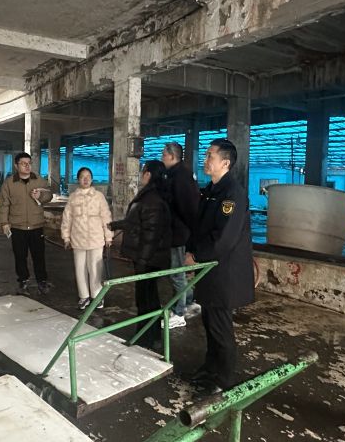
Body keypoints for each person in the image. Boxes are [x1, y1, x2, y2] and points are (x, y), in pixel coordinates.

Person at [184, 139, 254, 395]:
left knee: (221, 328)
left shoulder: (232, 193)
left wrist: (197, 256)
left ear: (225, 163)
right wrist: (190, 250)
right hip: (209, 269)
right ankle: (209, 369)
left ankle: (223, 382)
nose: (205, 160)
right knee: (210, 323)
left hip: (224, 273)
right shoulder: (211, 190)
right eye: (206, 155)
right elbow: (200, 226)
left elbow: (224, 238)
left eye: (210, 156)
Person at [109, 160, 172, 349]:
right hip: (148, 258)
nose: (140, 174)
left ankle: (147, 338)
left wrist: (143, 261)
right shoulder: (151, 196)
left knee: (146, 299)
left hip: (148, 259)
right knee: (147, 297)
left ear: (149, 175)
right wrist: (114, 225)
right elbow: (136, 222)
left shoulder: (152, 199)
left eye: (143, 171)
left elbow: (151, 235)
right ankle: (150, 335)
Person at [0, 152, 53, 294]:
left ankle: (42, 281)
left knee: (39, 256)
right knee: (20, 256)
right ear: (16, 166)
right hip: (17, 226)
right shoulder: (9, 183)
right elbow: (4, 204)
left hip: (36, 225)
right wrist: (4, 222)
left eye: (29, 163)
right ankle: (22, 281)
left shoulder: (39, 180)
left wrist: (41, 196)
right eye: (23, 163)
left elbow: (49, 195)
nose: (27, 166)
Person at [161, 142, 202, 328]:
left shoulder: (179, 177)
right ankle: (189, 301)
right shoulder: (178, 174)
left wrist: (190, 233)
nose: (162, 158)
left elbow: (188, 208)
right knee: (179, 273)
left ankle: (179, 313)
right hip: (179, 232)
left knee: (176, 274)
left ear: (172, 156)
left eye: (164, 154)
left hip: (178, 234)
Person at [61, 167, 113, 310]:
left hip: (96, 239)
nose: (86, 179)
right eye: (82, 177)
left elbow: (106, 217)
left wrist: (108, 237)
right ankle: (83, 296)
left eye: (88, 176)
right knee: (80, 269)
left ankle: (97, 297)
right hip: (78, 240)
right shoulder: (73, 197)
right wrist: (66, 237)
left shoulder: (98, 196)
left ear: (92, 179)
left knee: (96, 269)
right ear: (78, 179)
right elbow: (67, 219)